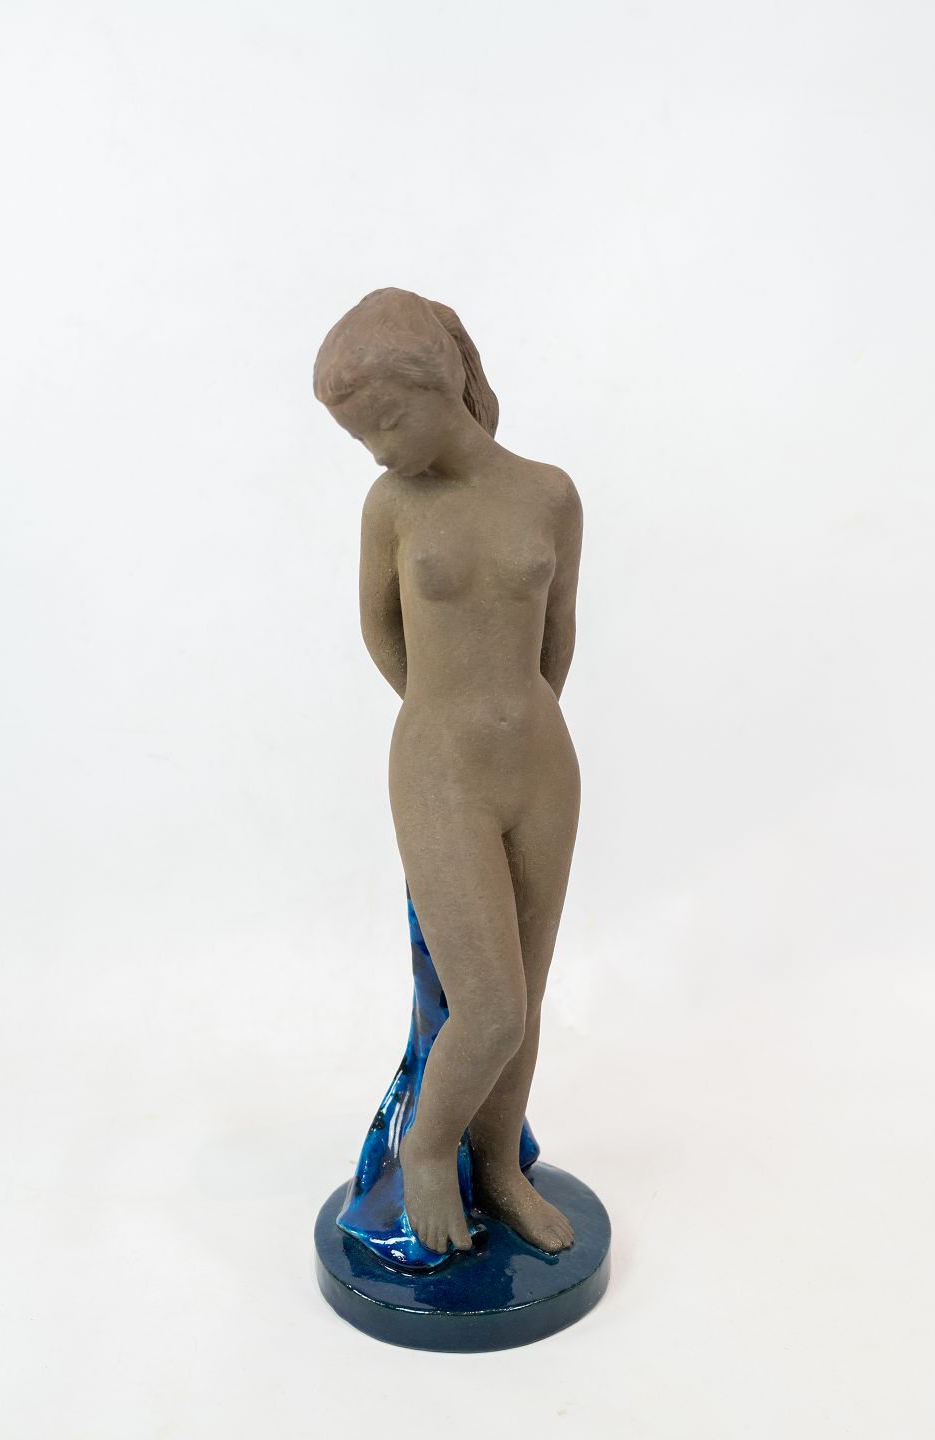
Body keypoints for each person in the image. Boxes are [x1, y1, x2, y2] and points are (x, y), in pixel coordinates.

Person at [314, 288, 582, 1256]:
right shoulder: (390, 506)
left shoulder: (549, 494)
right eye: (359, 437)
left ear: (440, 383)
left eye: (385, 422)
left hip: (542, 767)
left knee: (527, 1000)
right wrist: (443, 714)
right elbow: (380, 630)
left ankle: (500, 1167)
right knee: (489, 1006)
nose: (376, 451)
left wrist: (517, 716)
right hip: (440, 770)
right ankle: (428, 1149)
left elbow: (558, 636)